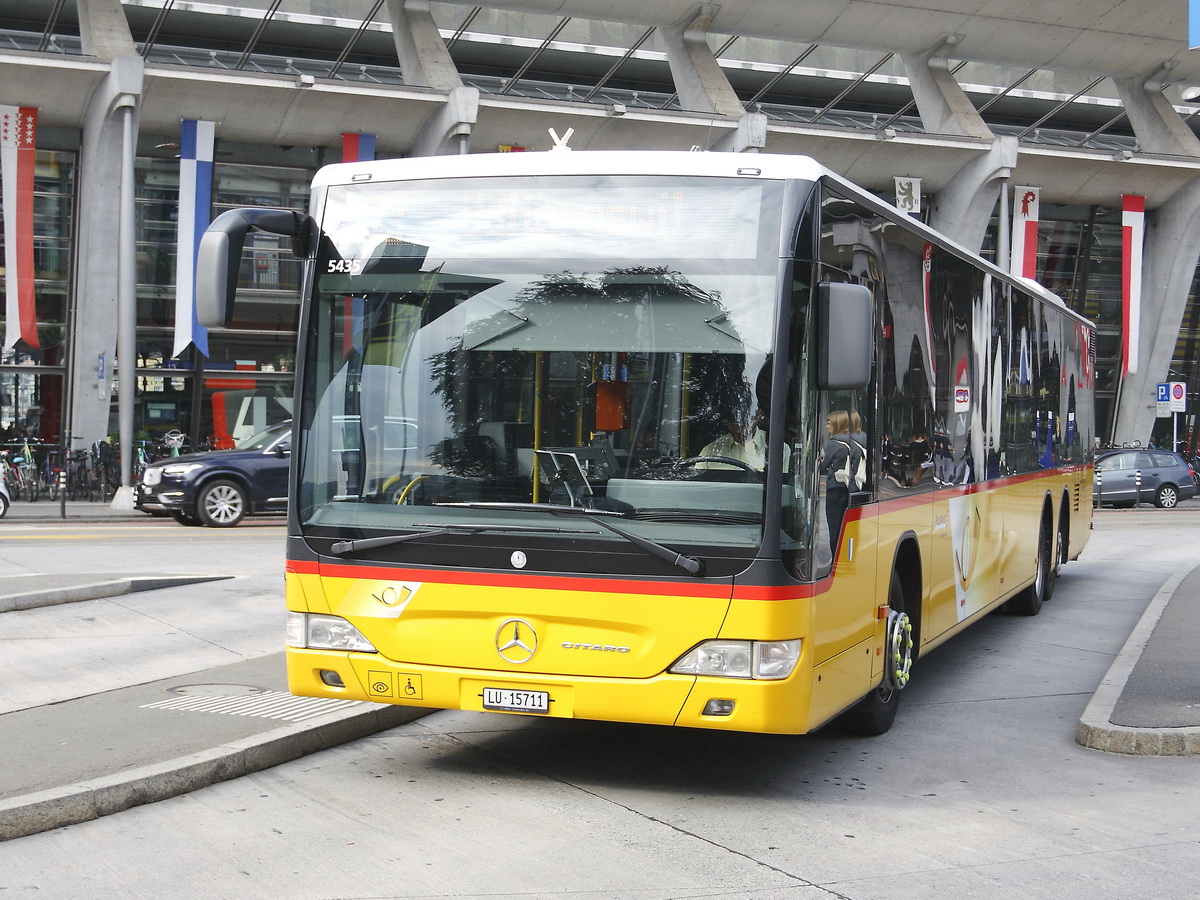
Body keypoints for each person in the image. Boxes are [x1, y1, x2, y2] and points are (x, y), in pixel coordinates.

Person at [819, 410, 863, 551]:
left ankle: (834, 561)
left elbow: (822, 467)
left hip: (836, 489)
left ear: (837, 424)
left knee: (835, 528)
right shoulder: (856, 441)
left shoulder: (834, 444)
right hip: (853, 488)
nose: (826, 426)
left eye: (829, 423)